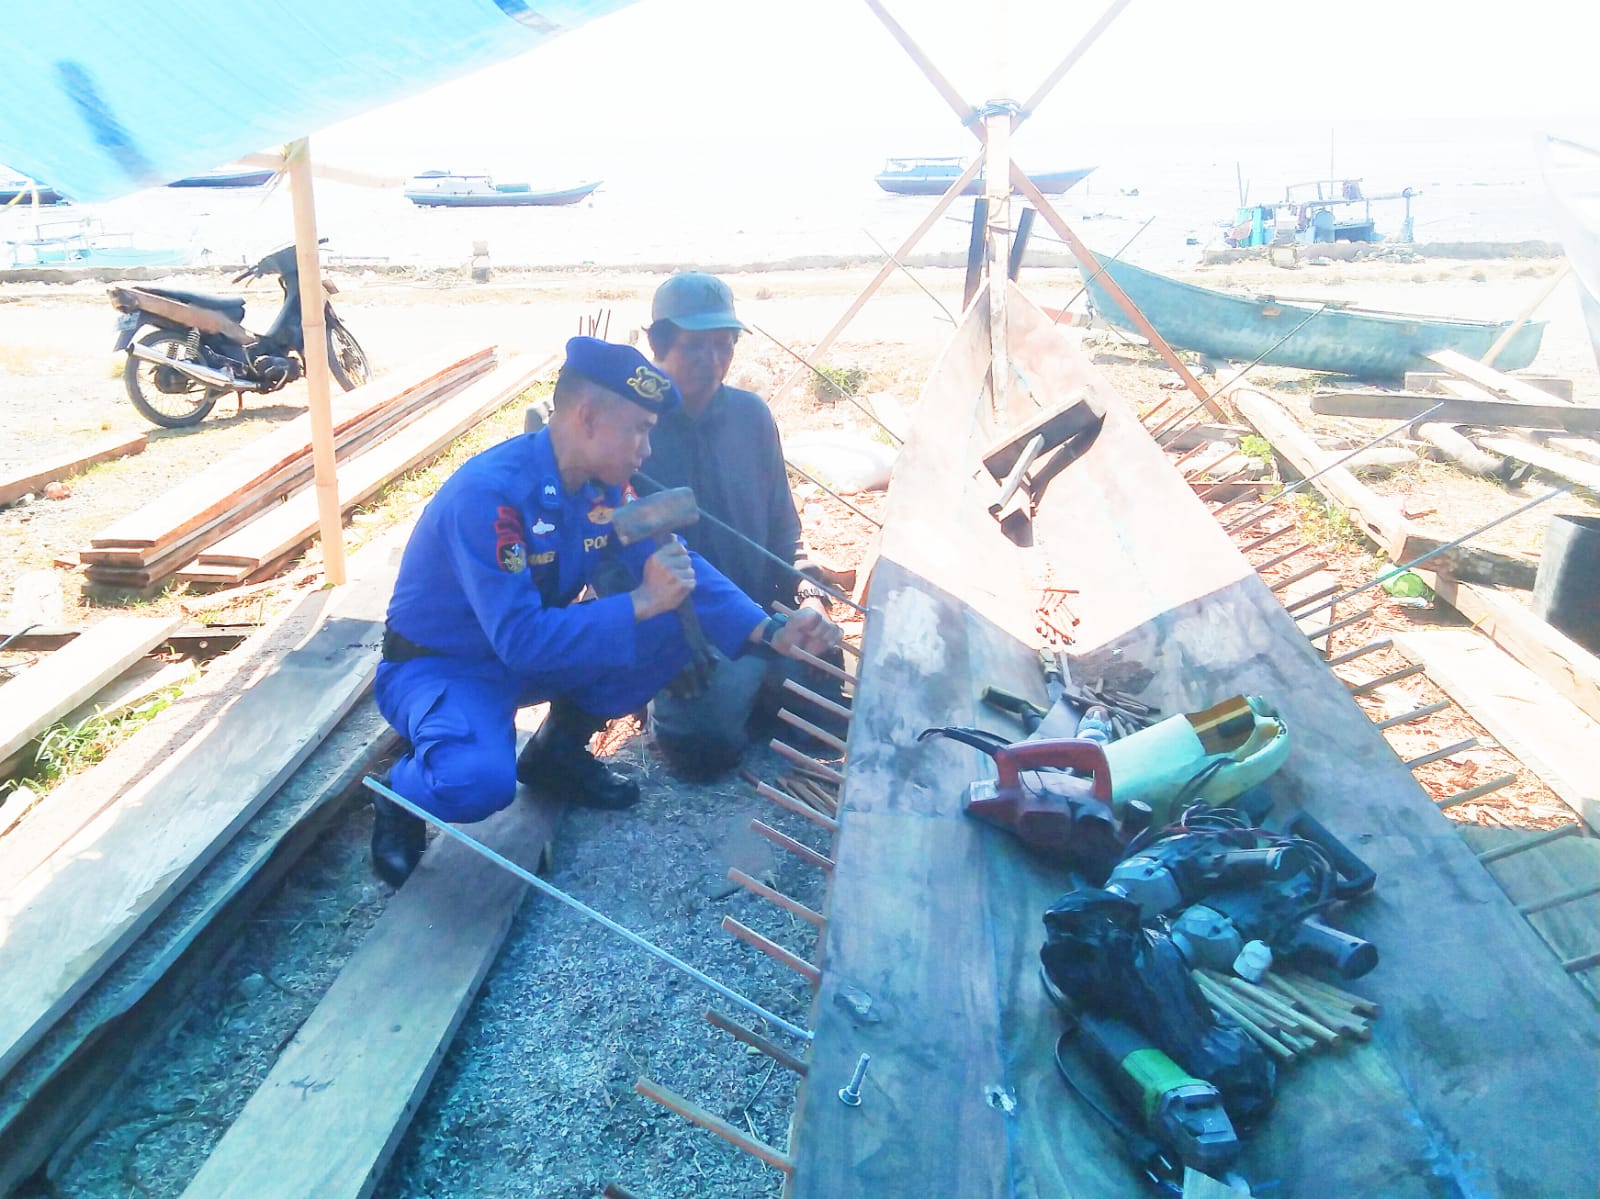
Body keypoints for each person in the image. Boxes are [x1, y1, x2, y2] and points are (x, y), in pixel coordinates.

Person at [370, 336, 841, 886]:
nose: (647, 449)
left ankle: (556, 753)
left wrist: (770, 630)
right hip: (444, 668)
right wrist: (639, 601)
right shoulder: (491, 497)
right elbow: (520, 639)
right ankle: (397, 794)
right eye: (638, 430)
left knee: (671, 621)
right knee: (477, 784)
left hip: (519, 658)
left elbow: (675, 562)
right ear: (588, 417)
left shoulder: (600, 490)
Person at [637, 271, 839, 776]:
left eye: (724, 345)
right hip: (686, 633)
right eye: (695, 347)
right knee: (701, 748)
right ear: (658, 344)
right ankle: (730, 696)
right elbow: (613, 561)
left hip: (764, 619)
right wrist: (664, 640)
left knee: (828, 699)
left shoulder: (752, 416)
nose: (712, 362)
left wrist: (810, 598)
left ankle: (754, 688)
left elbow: (785, 535)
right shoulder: (634, 427)